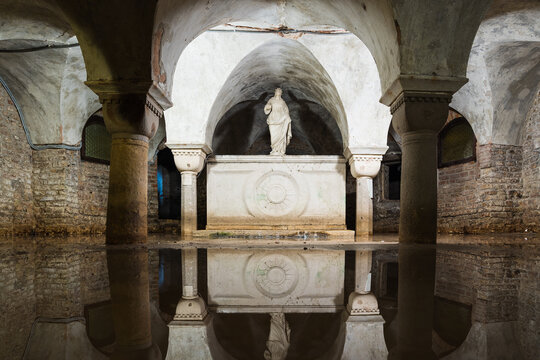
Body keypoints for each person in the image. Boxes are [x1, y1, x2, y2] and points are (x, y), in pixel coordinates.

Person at [264, 88, 292, 155]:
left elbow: (286, 111)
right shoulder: (271, 100)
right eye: (277, 91)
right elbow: (266, 109)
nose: (278, 92)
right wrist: (268, 107)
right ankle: (274, 149)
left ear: (281, 93)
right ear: (275, 92)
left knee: (281, 135)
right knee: (273, 136)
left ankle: (280, 150)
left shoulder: (283, 102)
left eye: (280, 91)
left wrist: (287, 117)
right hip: (273, 119)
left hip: (282, 119)